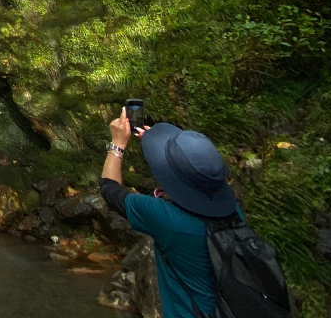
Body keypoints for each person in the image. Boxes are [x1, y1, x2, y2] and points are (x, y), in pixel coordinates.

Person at [100, 107, 242, 318]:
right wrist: (158, 147)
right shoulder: (234, 211)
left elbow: (110, 190)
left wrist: (118, 144)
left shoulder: (168, 220)